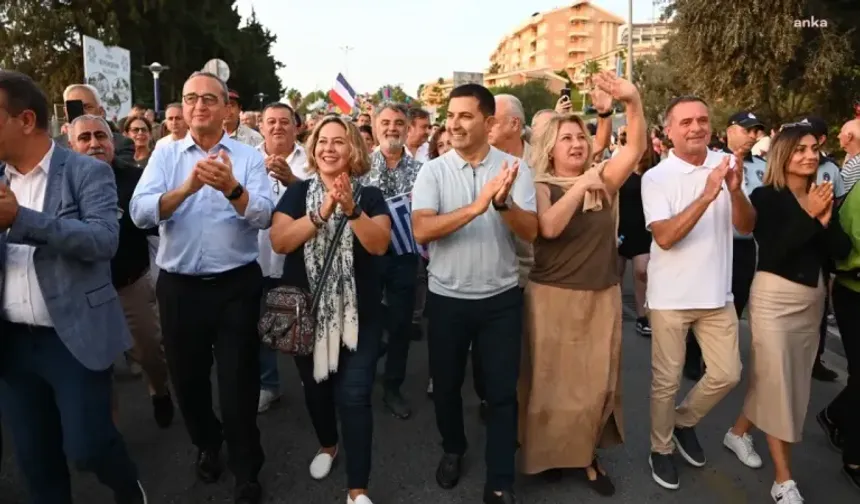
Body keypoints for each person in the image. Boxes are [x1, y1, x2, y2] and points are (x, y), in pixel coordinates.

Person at [0, 69, 146, 504]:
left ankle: (128, 487)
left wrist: (22, 221)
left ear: (26, 120)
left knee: (88, 447)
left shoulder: (84, 172)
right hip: (12, 343)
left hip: (73, 337)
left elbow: (103, 240)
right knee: (35, 461)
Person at [130, 71, 272, 504]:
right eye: (190, 98)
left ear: (227, 108)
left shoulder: (248, 157)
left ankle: (247, 467)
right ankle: (208, 444)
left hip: (236, 286)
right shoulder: (165, 156)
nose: (198, 106)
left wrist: (232, 188)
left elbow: (264, 215)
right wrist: (188, 187)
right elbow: (140, 213)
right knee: (188, 383)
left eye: (208, 99)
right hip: (180, 287)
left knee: (238, 383)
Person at [518, 72, 645, 496]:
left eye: (580, 136)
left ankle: (587, 456)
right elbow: (548, 228)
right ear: (549, 147)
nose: (576, 143)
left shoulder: (605, 178)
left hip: (601, 296)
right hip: (550, 300)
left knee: (596, 384)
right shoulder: (538, 184)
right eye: (567, 138)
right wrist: (578, 188)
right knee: (549, 384)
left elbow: (637, 148)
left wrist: (633, 102)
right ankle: (546, 455)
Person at [412, 83, 538, 504]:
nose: (454, 123)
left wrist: (503, 206)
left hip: (500, 299)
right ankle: (454, 448)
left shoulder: (514, 168)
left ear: (488, 122)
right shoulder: (433, 171)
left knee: (502, 393)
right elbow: (422, 229)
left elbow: (531, 231)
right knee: (446, 387)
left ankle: (500, 479)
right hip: (447, 299)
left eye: (465, 116)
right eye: (451, 116)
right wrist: (477, 205)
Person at [722, 125, 850, 504]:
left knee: (780, 379)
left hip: (811, 302)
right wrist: (808, 217)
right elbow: (775, 252)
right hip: (774, 300)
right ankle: (784, 480)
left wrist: (824, 222)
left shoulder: (820, 193)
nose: (810, 156)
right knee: (781, 384)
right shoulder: (767, 196)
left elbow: (840, 251)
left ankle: (738, 432)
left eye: (813, 149)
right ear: (783, 155)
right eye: (800, 150)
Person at [269, 115, 391, 504]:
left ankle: (357, 490)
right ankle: (327, 445)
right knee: (316, 390)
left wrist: (352, 210)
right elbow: (280, 242)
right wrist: (322, 212)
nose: (328, 148)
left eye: (339, 141)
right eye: (322, 141)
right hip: (306, 314)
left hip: (360, 317)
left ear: (353, 148)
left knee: (354, 395)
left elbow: (379, 245)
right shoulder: (296, 193)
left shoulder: (370, 196)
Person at [641, 96, 755, 491]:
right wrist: (707, 194)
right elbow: (666, 238)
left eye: (702, 120)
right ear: (669, 130)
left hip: (716, 295)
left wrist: (735, 192)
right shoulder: (656, 178)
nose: (696, 128)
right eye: (686, 121)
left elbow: (746, 227)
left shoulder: (727, 165)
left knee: (728, 373)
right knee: (666, 381)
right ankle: (661, 448)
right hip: (670, 298)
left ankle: (683, 422)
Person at [66, 114, 174, 428]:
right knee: (97, 364)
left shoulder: (135, 179)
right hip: (85, 289)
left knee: (150, 353)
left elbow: (156, 227)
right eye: (84, 138)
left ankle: (160, 389)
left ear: (113, 142)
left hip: (131, 283)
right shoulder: (61, 183)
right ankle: (109, 429)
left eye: (101, 136)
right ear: (71, 145)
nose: (94, 144)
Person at [362, 102, 423, 420]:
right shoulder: (358, 166)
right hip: (369, 257)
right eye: (385, 122)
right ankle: (361, 373)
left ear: (408, 128)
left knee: (400, 324)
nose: (391, 128)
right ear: (374, 127)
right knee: (365, 320)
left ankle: (392, 387)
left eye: (398, 122)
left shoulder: (421, 171)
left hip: (404, 258)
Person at [256, 102, 309, 413]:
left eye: (284, 122)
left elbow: (322, 201)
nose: (277, 127)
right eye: (271, 122)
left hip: (298, 260)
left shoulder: (312, 158)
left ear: (296, 126)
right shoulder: (245, 160)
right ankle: (269, 385)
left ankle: (312, 380)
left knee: (305, 326)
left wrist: (291, 180)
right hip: (257, 259)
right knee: (262, 327)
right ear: (261, 127)